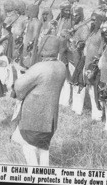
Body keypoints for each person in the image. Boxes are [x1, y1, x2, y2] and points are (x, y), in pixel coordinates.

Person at [11, 35, 67, 166]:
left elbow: (19, 86)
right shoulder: (61, 66)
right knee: (44, 149)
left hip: (33, 118)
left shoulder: (40, 67)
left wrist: (18, 91)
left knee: (29, 147)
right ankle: (44, 176)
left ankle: (34, 177)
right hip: (51, 119)